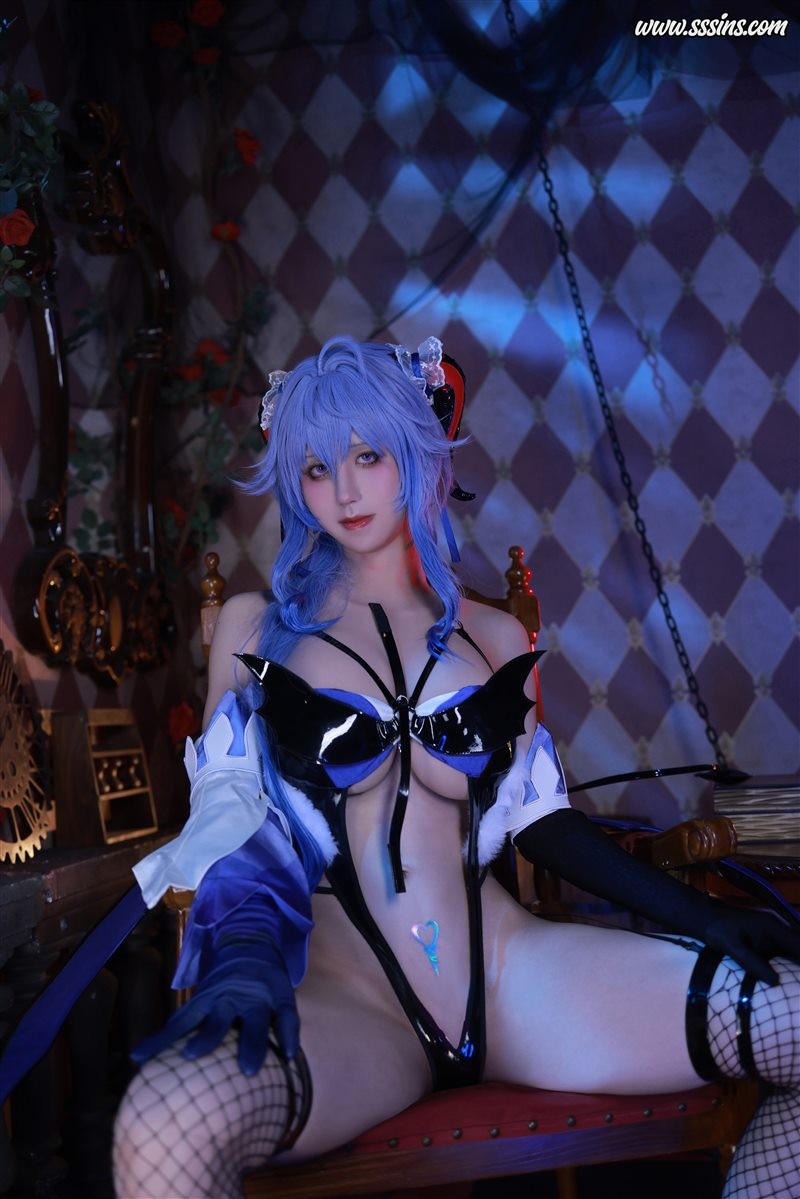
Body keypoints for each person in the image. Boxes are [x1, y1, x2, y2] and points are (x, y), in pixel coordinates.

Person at [113, 335, 800, 1199]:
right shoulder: (256, 629)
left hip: (515, 980)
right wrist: (243, 959)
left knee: (795, 1012)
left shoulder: (495, 634)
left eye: (368, 455)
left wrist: (703, 915)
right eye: (318, 468)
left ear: (417, 449)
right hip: (353, 997)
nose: (345, 491)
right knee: (164, 1119)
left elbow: (543, 824)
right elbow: (229, 821)